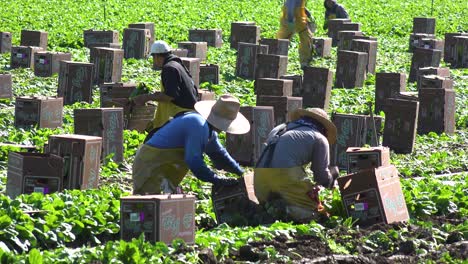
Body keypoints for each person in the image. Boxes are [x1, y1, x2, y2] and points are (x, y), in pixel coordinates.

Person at [132, 95, 250, 195]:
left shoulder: (209, 131)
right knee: (145, 204)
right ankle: (138, 220)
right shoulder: (198, 124)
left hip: (165, 168)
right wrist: (215, 179)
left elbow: (220, 154)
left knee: (161, 207)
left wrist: (240, 173)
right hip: (150, 165)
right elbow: (193, 160)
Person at [254, 108, 339, 223]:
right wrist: (333, 176)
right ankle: (285, 210)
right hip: (285, 178)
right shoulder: (319, 137)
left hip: (259, 178)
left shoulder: (280, 128)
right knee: (318, 214)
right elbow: (321, 177)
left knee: (278, 198)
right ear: (323, 127)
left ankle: (269, 206)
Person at [132, 40, 198, 139]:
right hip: (190, 113)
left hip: (181, 116)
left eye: (153, 57)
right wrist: (157, 95)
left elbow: (169, 96)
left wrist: (146, 97)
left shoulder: (169, 68)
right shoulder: (177, 64)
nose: (154, 61)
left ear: (157, 56)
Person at [277, 0, 316, 68]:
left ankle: (277, 58)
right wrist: (290, 20)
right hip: (293, 20)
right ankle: (304, 61)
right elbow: (290, 5)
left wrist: (308, 14)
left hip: (294, 20)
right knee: (306, 39)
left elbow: (300, 7)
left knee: (281, 40)